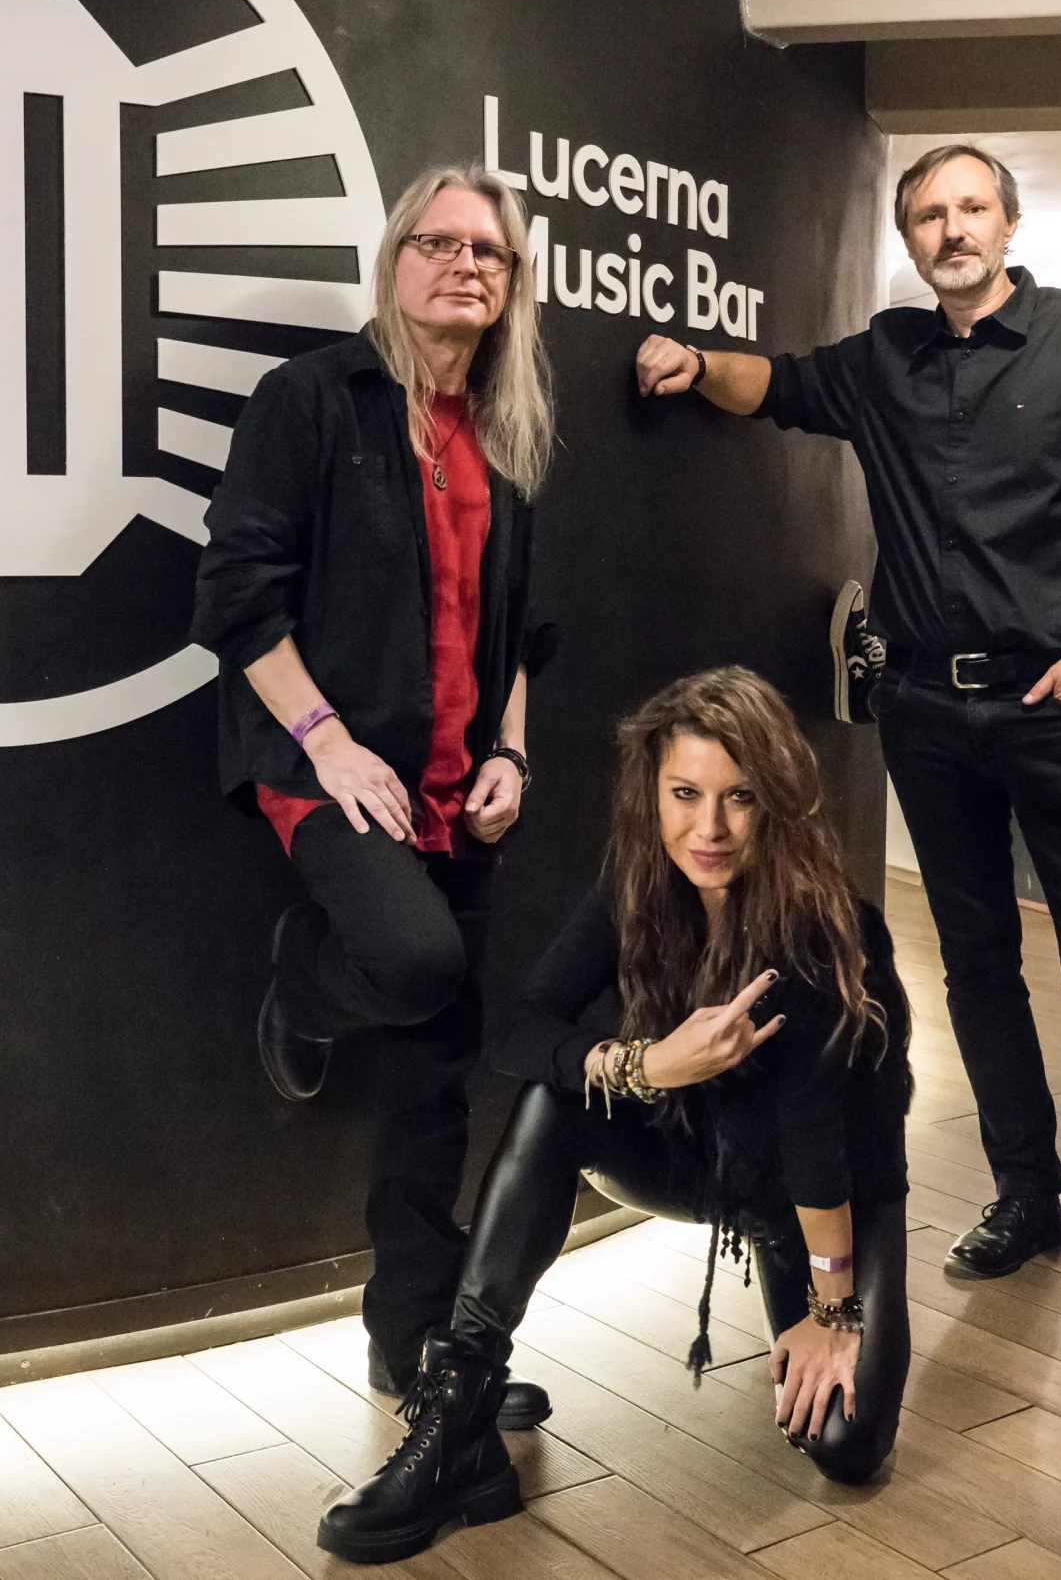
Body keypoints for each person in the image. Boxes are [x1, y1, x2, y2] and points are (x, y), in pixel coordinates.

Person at [631, 145, 1061, 1338]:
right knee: (977, 965)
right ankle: (1022, 1196)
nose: (952, 229)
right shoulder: (885, 355)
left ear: (1008, 221)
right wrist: (692, 363)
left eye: (971, 207)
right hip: (927, 711)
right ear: (910, 240)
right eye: (929, 215)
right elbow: (778, 383)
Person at [317, 669, 914, 1564]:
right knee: (557, 1096)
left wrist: (833, 1311)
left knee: (847, 1445)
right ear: (653, 792)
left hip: (833, 1192)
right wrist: (645, 1064)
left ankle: (802, 1300)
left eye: (740, 797)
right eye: (685, 794)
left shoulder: (824, 926)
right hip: (701, 1152)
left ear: (778, 801)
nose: (708, 829)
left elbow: (817, 1136)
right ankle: (461, 1408)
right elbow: (520, 1031)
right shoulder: (637, 886)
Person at [190, 162, 558, 1420]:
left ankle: (415, 1345)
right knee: (411, 964)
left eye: (489, 252)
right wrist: (329, 742)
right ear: (395, 260)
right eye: (438, 243)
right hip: (330, 769)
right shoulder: (310, 400)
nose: (464, 265)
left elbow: (522, 633)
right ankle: (302, 977)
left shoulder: (506, 433)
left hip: (461, 791)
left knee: (433, 1076)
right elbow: (236, 598)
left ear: (512, 286)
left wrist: (513, 754)